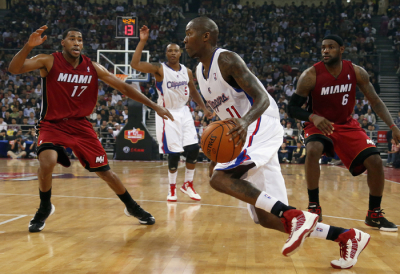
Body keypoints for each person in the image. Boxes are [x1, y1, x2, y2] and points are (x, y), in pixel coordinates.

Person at [185, 17, 370, 269]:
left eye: (189, 33)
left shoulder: (226, 59)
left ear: (206, 36)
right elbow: (223, 119)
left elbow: (261, 97)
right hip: (243, 131)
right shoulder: (198, 72)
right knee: (268, 216)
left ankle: (295, 217)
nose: (184, 39)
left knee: (219, 179)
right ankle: (346, 236)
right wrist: (219, 154)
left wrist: (244, 122)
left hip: (259, 120)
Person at [8, 26, 174, 232]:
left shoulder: (93, 67)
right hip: (52, 124)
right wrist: (28, 46)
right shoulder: (48, 60)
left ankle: (132, 207)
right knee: (47, 160)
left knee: (105, 173)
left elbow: (123, 87)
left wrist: (155, 106)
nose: (77, 42)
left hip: (80, 125)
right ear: (63, 43)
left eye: (80, 39)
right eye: (72, 39)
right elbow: (14, 69)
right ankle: (44, 207)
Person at [288, 34, 398, 232]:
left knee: (375, 160)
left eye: (330, 47)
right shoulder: (310, 75)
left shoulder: (356, 72)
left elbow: (375, 101)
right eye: (323, 47)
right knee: (313, 150)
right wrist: (313, 117)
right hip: (318, 123)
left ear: (341, 49)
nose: (325, 51)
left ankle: (374, 214)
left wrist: (393, 126)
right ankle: (314, 208)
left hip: (346, 124)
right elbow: (292, 108)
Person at [131, 25, 212, 202]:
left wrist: (204, 108)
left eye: (176, 50)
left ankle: (188, 184)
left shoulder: (187, 71)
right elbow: (134, 64)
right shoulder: (159, 69)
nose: (173, 53)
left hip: (184, 112)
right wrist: (142, 41)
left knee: (193, 150)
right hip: (167, 114)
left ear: (180, 53)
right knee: (174, 154)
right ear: (167, 54)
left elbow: (193, 91)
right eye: (170, 51)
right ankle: (172, 189)